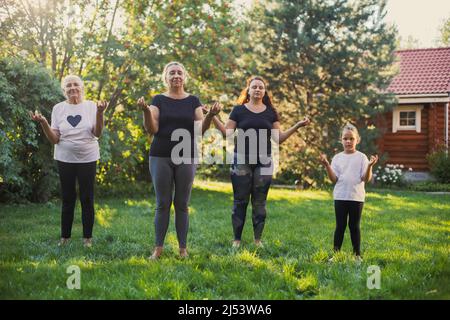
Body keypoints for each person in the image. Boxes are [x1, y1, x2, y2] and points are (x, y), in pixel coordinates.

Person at [210, 76, 310, 248]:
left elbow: (279, 138)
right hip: (241, 159)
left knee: (259, 202)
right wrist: (213, 116)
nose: (257, 89)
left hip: (264, 161)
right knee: (240, 201)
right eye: (254, 87)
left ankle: (257, 240)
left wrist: (297, 125)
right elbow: (227, 133)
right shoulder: (238, 110)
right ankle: (237, 240)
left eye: (261, 87)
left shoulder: (271, 112)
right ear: (248, 90)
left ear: (264, 92)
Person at [137, 61, 220, 259]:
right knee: (162, 203)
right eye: (172, 73)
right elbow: (152, 129)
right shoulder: (158, 100)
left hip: (186, 155)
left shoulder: (193, 101)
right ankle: (158, 248)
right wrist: (146, 111)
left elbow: (199, 129)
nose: (176, 75)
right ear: (166, 77)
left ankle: (183, 249)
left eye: (179, 72)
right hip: (160, 155)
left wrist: (210, 116)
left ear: (184, 77)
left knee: (182, 203)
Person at [30, 75, 108, 248]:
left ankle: (87, 238)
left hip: (88, 157)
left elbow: (97, 133)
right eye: (68, 85)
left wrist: (100, 113)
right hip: (65, 158)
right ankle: (65, 238)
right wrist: (43, 123)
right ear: (64, 90)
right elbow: (55, 139)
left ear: (82, 87)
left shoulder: (91, 106)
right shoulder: (58, 109)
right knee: (68, 197)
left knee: (87, 198)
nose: (72, 88)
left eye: (76, 84)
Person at [319, 123, 378, 263]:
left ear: (357, 139)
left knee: (354, 226)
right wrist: (327, 165)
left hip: (356, 197)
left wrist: (369, 166)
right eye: (345, 138)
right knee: (340, 226)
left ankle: (357, 255)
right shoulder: (337, 158)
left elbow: (366, 178)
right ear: (341, 140)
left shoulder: (362, 157)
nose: (348, 141)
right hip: (340, 196)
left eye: (351, 138)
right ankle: (336, 254)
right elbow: (334, 179)